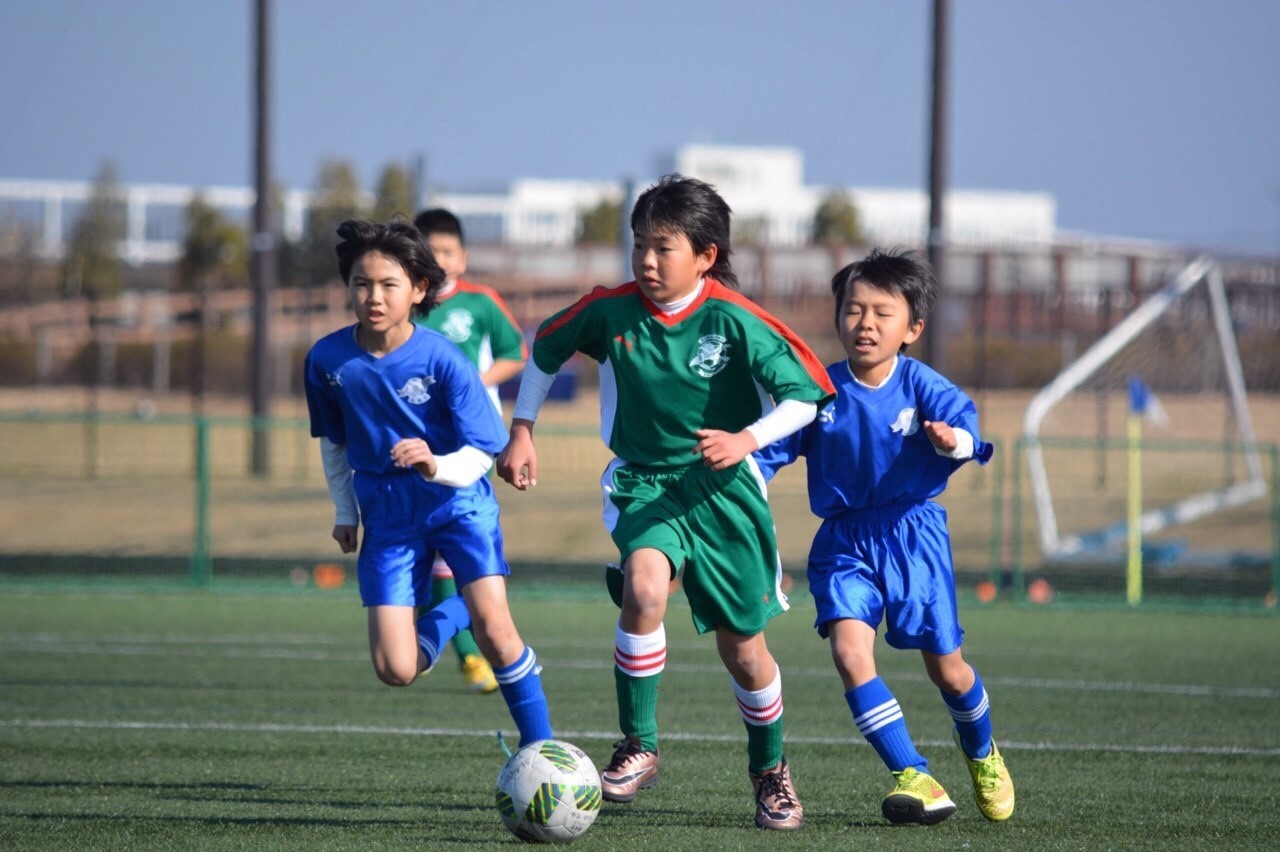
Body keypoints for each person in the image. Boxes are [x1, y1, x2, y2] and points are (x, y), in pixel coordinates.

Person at [497, 174, 835, 831]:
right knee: (645, 587)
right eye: (639, 246)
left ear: (706, 255)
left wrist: (747, 438)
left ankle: (770, 771)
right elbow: (545, 346)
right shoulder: (610, 310)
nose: (646, 262)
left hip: (727, 494)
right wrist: (521, 430)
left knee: (745, 649)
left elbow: (809, 392)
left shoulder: (736, 319)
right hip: (644, 482)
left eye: (664, 248)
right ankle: (640, 744)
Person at [753, 248, 1015, 825]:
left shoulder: (923, 385)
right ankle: (913, 774)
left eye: (881, 312)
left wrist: (955, 443)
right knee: (850, 654)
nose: (865, 323)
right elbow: (764, 454)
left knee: (947, 669)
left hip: (912, 536)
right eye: (853, 309)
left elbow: (972, 438)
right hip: (843, 542)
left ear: (912, 328)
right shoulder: (815, 390)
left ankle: (982, 752)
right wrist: (736, 474)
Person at [303, 219, 552, 747]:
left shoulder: (443, 358)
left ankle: (543, 750)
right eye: (361, 284)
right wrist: (345, 512)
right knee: (396, 668)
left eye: (389, 285)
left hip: (458, 503)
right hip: (387, 516)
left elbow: (483, 454)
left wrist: (433, 465)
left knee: (498, 635)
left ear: (418, 290)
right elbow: (335, 443)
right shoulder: (327, 360)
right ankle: (458, 608)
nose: (373, 296)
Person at [411, 207, 530, 696]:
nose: (438, 260)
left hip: (467, 445)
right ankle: (437, 641)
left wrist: (473, 383)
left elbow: (516, 352)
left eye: (446, 251)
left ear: (462, 257)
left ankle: (462, 654)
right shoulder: (404, 305)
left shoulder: (480, 303)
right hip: (413, 443)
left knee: (456, 552)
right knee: (422, 557)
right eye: (429, 251)